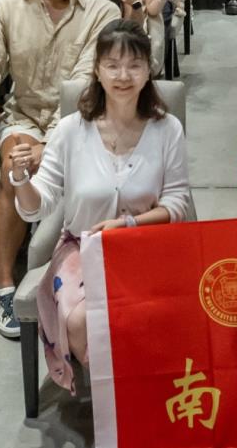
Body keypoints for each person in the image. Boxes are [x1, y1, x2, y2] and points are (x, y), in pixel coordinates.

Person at [0, 0, 122, 340]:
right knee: (14, 164)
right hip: (26, 115)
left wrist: (51, 144)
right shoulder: (7, 6)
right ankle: (5, 286)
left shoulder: (103, 12)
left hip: (83, 122)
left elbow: (88, 87)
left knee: (39, 157)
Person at [10, 20, 192, 390]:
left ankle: (133, 397)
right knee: (82, 319)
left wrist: (127, 226)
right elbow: (37, 207)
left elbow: (178, 202)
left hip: (147, 248)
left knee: (151, 313)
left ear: (148, 71)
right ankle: (120, 399)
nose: (123, 76)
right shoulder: (70, 130)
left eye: (134, 65)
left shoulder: (167, 128)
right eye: (112, 65)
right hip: (82, 248)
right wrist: (20, 179)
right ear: (97, 70)